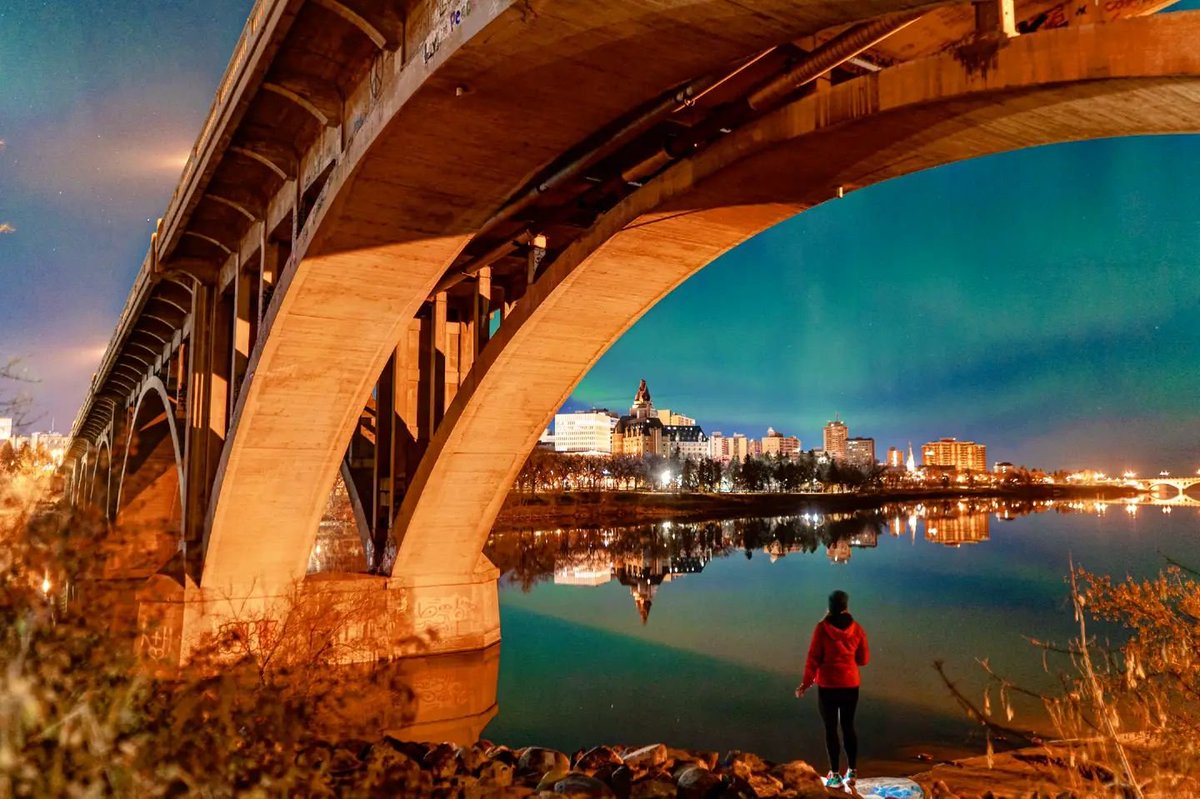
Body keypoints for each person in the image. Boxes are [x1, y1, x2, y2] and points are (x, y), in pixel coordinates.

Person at [794, 590, 870, 789]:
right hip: (850, 684)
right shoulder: (857, 629)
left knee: (830, 729)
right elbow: (864, 659)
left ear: (829, 607)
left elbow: (813, 659)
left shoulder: (821, 629)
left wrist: (805, 683)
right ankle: (852, 771)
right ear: (846, 607)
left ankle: (835, 775)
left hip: (828, 686)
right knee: (848, 726)